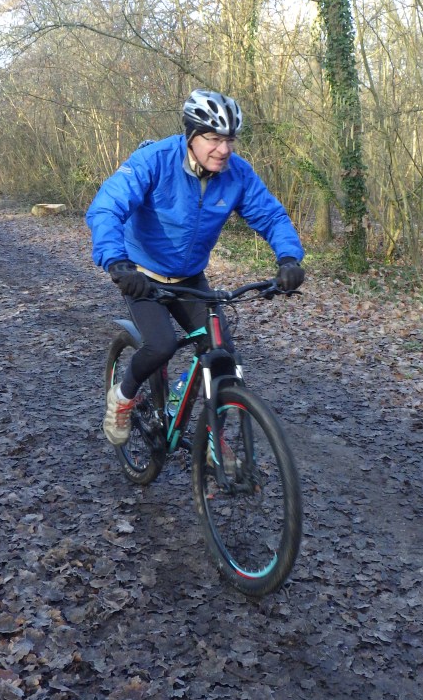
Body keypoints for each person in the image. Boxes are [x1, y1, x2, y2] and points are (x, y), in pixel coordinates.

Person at [86, 89, 305, 446]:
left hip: (189, 277)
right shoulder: (155, 160)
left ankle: (213, 446)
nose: (224, 149)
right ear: (191, 136)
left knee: (223, 359)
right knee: (161, 345)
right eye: (214, 139)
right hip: (142, 275)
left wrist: (289, 258)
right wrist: (118, 263)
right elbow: (107, 208)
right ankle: (122, 398)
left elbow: (271, 215)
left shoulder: (236, 174)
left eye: (229, 140)